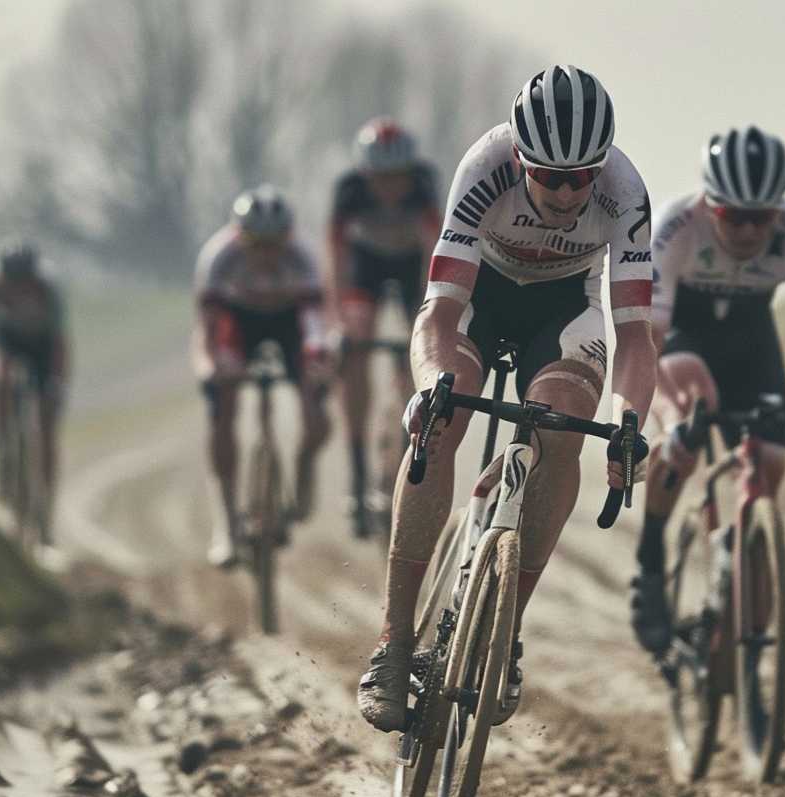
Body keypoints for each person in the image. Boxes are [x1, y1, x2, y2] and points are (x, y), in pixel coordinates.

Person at [357, 65, 657, 732]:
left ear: (599, 167)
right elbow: (439, 314)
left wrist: (629, 422)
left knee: (567, 428)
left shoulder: (625, 192)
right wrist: (431, 383)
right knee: (442, 415)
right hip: (479, 297)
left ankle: (504, 633)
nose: (565, 189)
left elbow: (636, 334)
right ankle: (394, 642)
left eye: (581, 175)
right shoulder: (484, 167)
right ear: (521, 158)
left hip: (563, 308)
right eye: (548, 174)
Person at [629, 125, 785, 658]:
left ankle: (740, 594)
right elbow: (649, 343)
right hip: (684, 338)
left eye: (759, 218)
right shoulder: (675, 228)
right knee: (697, 403)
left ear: (779, 211)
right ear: (708, 205)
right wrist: (670, 424)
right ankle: (650, 564)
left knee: (769, 464)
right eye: (732, 216)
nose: (745, 230)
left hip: (751, 340)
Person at [193, 185, 334, 568]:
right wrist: (212, 367)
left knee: (317, 411)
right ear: (241, 238)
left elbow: (316, 324)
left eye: (275, 244)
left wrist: (318, 361)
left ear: (288, 237)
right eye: (258, 245)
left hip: (291, 324)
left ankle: (304, 464)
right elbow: (208, 329)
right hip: (238, 325)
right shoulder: (218, 257)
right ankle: (225, 523)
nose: (267, 254)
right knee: (222, 406)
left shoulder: (303, 256)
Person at [328, 118, 443, 538]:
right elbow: (335, 256)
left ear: (410, 172)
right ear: (365, 174)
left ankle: (401, 430)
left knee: (418, 349)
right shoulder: (349, 190)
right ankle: (358, 471)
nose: (390, 188)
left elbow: (437, 250)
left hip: (413, 265)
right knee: (355, 336)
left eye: (398, 178)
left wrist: (433, 314)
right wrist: (337, 320)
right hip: (366, 266)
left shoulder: (424, 185)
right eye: (381, 179)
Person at [0, 242, 69, 524]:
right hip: (7, 345)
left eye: (25, 282)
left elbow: (60, 344)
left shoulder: (48, 293)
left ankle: (45, 512)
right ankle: (3, 467)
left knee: (47, 428)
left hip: (42, 349)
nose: (19, 289)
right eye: (13, 282)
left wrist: (57, 383)